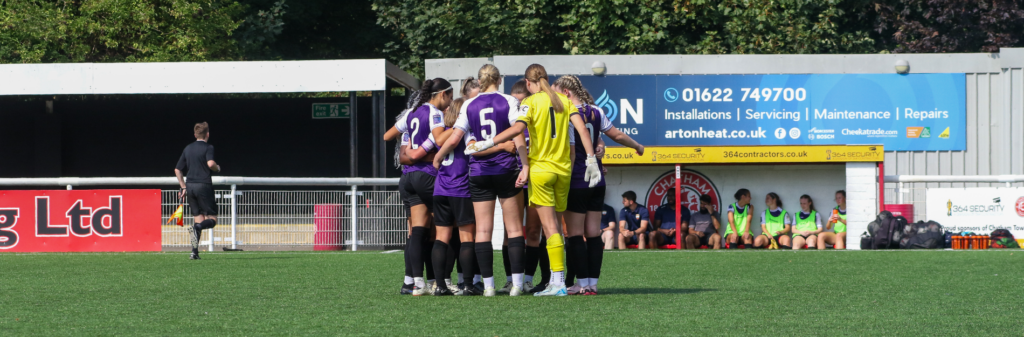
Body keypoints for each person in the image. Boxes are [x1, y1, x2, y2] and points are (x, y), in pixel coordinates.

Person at [463, 63, 602, 297]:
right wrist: (591, 159)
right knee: (556, 228)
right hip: (564, 171)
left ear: (528, 83)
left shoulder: (529, 103)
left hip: (541, 171)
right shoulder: (564, 101)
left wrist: (489, 142)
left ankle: (557, 284)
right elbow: (582, 130)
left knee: (549, 229)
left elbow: (517, 128)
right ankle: (555, 281)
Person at [434, 64, 530, 297]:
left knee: (483, 232)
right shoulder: (508, 101)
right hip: (505, 169)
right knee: (515, 229)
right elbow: (518, 131)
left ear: (480, 81)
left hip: (479, 173)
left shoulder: (468, 104)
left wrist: (437, 157)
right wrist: (525, 165)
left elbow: (456, 138)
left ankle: (488, 286)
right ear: (499, 79)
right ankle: (516, 285)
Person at [553, 74, 644, 295]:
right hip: (597, 181)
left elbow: (571, 150)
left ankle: (582, 284)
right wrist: (637, 146)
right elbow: (618, 135)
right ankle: (592, 283)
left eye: (555, 93)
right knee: (593, 233)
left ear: (566, 93)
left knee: (574, 234)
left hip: (577, 179)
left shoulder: (564, 113)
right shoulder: (596, 111)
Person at [391, 78, 453, 295]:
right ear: (442, 94)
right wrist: (457, 127)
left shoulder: (413, 113)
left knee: (417, 231)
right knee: (446, 226)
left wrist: (414, 150)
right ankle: (442, 282)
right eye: (450, 96)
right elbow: (438, 137)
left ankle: (416, 283)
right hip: (427, 175)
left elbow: (393, 138)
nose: (451, 102)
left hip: (409, 176)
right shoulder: (434, 112)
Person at [174, 122, 221, 260]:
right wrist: (217, 168)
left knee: (198, 219)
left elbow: (177, 169)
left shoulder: (188, 148)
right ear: (208, 134)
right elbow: (211, 163)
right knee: (212, 219)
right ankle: (197, 229)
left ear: (195, 135)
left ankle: (194, 252)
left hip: (190, 186)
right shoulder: (208, 147)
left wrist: (183, 186)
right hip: (203, 185)